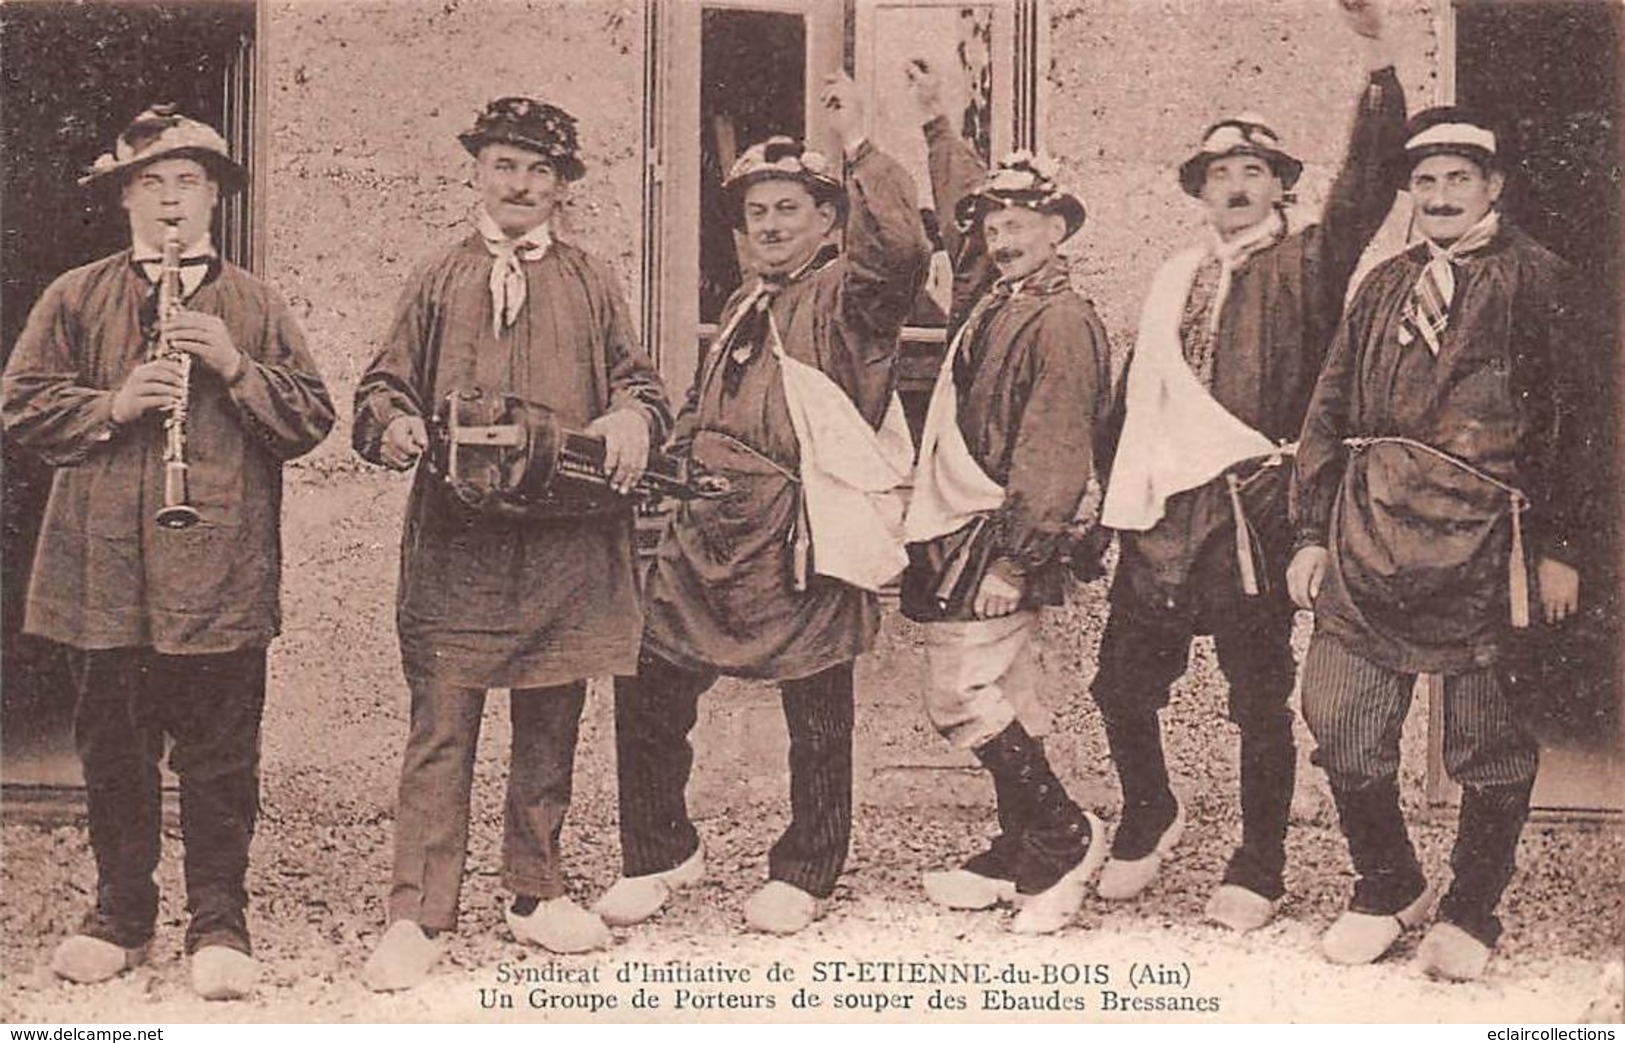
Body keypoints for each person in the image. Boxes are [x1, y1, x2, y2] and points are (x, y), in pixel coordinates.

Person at [2, 105, 335, 1000]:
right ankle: (121, 912)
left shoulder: (255, 303)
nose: (171, 201)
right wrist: (112, 405)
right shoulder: (75, 295)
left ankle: (220, 918)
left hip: (218, 570)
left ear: (217, 197)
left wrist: (233, 365)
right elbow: (22, 405)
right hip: (104, 571)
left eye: (189, 183)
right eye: (151, 184)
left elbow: (310, 419)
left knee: (221, 753)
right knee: (112, 747)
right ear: (125, 201)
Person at [1092, 0, 1407, 932]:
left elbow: (1363, 187)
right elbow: (1133, 397)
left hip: (1250, 508)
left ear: (1278, 186)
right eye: (1219, 173)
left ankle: (1258, 862)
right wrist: (1099, 497)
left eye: (1253, 171)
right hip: (1160, 512)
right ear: (1199, 189)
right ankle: (1150, 808)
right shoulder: (1175, 277)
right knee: (1118, 682)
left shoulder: (1309, 261)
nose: (1234, 184)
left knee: (1256, 695)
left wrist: (1375, 62)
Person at [596, 74, 931, 936]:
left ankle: (808, 868)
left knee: (816, 714)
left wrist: (859, 146)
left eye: (790, 208)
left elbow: (899, 252)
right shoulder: (745, 299)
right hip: (705, 534)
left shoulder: (849, 300)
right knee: (649, 686)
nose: (771, 225)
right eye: (756, 213)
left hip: (798, 534)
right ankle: (659, 849)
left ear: (828, 221)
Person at [353, 97, 671, 990]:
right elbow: (380, 386)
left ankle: (534, 891)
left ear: (562, 186)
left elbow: (641, 384)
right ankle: (419, 911)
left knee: (549, 719)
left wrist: (628, 418)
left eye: (538, 169)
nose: (520, 184)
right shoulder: (440, 277)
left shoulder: (590, 279)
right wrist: (395, 425)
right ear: (476, 174)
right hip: (460, 544)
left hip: (566, 541)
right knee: (443, 725)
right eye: (504, 165)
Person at [1289, 107, 1591, 981]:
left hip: (1489, 544)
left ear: (1493, 186)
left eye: (1459, 177)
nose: (1440, 195)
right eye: (1424, 180)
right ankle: (1387, 883)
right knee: (1338, 720)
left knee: (1487, 740)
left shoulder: (1540, 281)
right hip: (1367, 534)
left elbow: (1583, 429)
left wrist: (1561, 548)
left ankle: (1470, 905)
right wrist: (1310, 532)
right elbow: (1327, 410)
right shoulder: (1384, 283)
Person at [899, 60, 1114, 934]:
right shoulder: (996, 290)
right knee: (1008, 689)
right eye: (995, 220)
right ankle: (1018, 840)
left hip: (997, 530)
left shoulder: (1059, 319)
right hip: (964, 517)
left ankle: (1062, 832)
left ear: (1059, 228)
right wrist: (934, 124)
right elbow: (958, 218)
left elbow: (1056, 450)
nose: (1003, 234)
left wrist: (1019, 559)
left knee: (958, 693)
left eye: (1024, 220)